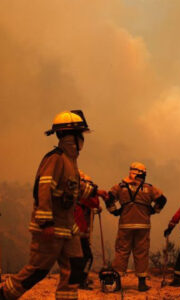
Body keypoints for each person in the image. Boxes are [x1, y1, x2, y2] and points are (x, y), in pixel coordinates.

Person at [0, 110, 95, 300]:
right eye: (80, 135)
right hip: (51, 228)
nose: (82, 140)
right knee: (38, 270)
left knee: (75, 266)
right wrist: (46, 222)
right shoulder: (55, 159)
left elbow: (72, 191)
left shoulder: (71, 162)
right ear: (71, 136)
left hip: (68, 229)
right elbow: (43, 190)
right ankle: (4, 294)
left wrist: (97, 192)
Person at [105, 162, 167, 291]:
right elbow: (162, 200)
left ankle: (116, 284)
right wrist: (153, 210)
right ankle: (142, 283)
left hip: (125, 225)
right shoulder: (149, 188)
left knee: (122, 251)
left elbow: (108, 197)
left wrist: (114, 211)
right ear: (141, 174)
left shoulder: (120, 187)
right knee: (141, 252)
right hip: (143, 226)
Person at [70, 171, 107, 290]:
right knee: (87, 257)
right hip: (79, 231)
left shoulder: (72, 195)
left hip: (72, 231)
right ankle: (81, 281)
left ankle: (73, 279)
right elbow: (95, 202)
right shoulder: (82, 195)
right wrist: (94, 194)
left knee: (74, 257)